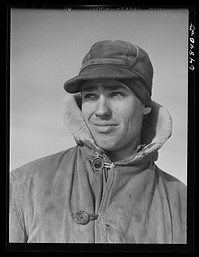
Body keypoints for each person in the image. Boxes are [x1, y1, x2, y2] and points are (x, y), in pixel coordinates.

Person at [9, 40, 186, 243]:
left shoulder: (182, 203)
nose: (101, 111)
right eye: (91, 95)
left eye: (117, 94)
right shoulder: (22, 186)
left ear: (145, 104)